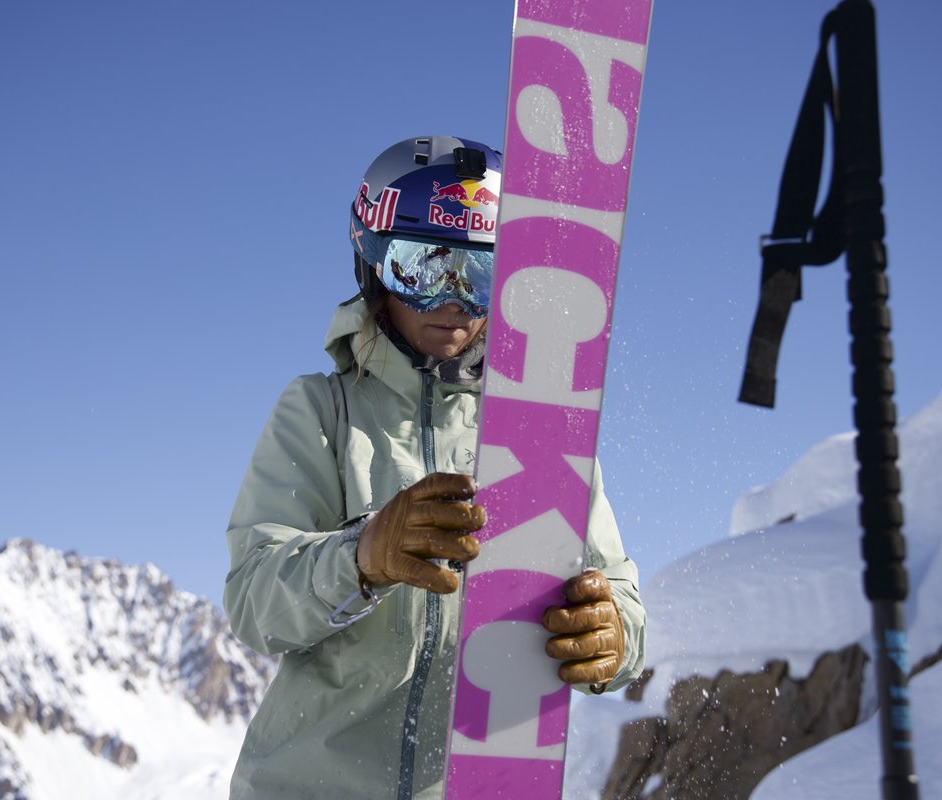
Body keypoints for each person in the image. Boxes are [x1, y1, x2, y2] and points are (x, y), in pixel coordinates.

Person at [224, 135, 646, 800]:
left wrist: (612, 636)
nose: (454, 300)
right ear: (374, 264)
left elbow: (617, 593)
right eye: (424, 267)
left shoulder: (543, 434)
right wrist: (361, 558)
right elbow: (254, 604)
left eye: (482, 273)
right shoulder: (322, 411)